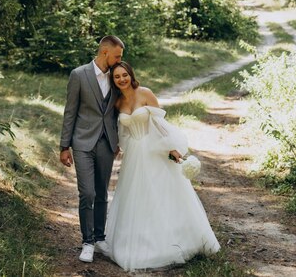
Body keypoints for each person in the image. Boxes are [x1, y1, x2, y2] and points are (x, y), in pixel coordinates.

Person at [101, 60, 220, 272]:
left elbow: (161, 125)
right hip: (134, 155)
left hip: (153, 150)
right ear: (113, 79)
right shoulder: (117, 102)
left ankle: (175, 241)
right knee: (136, 198)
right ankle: (137, 242)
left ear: (131, 74)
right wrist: (117, 148)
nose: (121, 79)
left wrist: (172, 149)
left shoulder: (145, 93)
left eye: (124, 75)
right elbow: (122, 132)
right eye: (117, 77)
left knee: (162, 194)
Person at [59, 35, 124, 263]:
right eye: (117, 55)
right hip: (82, 143)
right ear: (105, 52)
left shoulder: (117, 77)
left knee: (102, 193)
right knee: (87, 193)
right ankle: (87, 242)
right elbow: (70, 112)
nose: (120, 60)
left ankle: (100, 238)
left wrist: (120, 140)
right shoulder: (79, 75)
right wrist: (64, 146)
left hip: (107, 143)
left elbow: (120, 110)